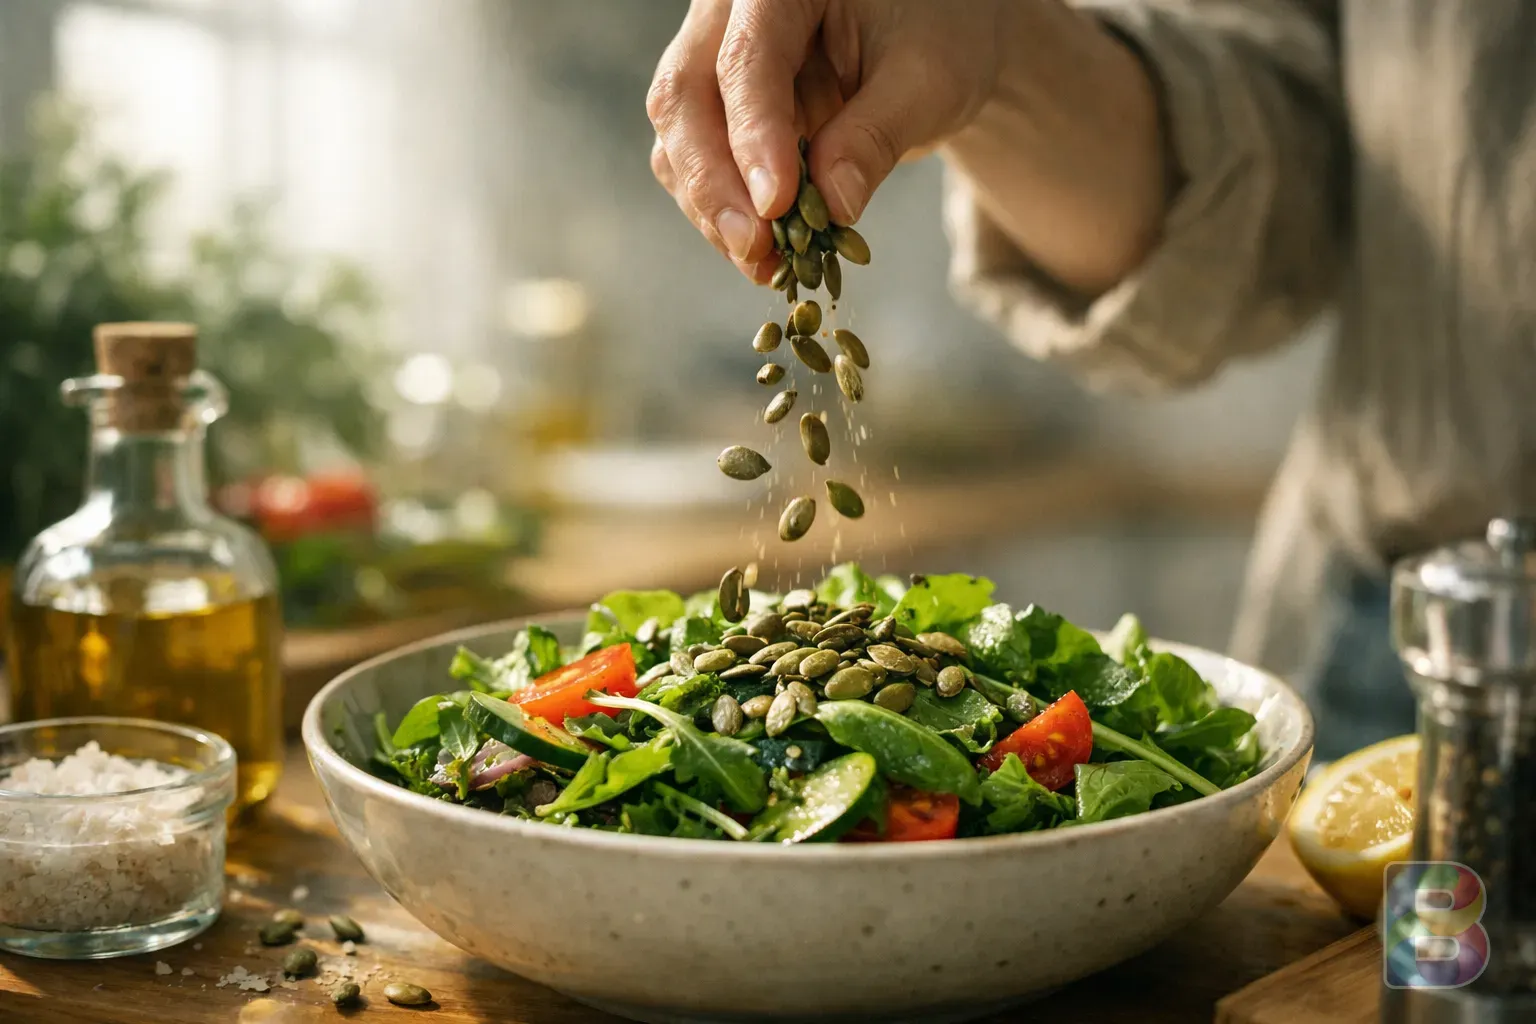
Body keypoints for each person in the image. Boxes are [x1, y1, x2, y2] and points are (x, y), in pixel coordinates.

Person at [645, 0, 1530, 761]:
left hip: (1405, 606)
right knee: (1400, 964)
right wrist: (1000, 49)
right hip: (1426, 647)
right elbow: (1263, 179)